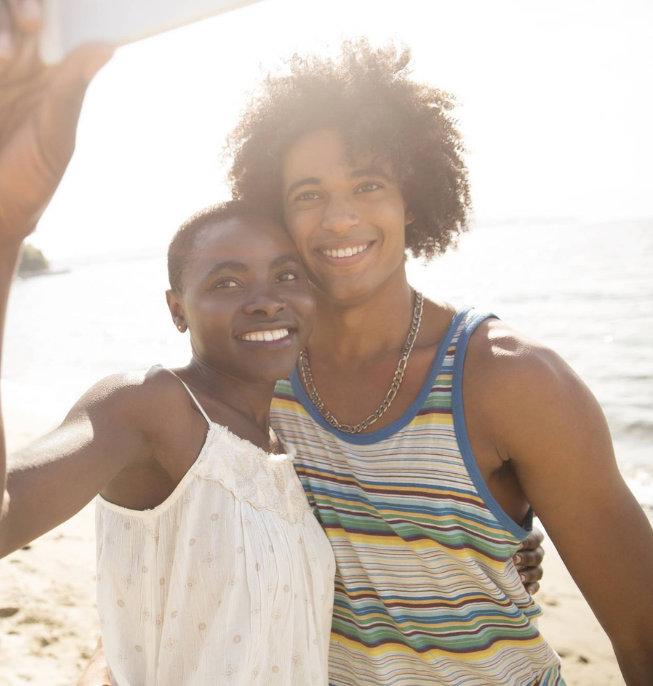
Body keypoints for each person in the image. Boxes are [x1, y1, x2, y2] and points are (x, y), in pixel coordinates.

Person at [80, 41, 653, 686]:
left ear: (413, 199)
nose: (340, 216)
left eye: (369, 184)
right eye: (307, 194)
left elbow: (642, 633)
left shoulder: (513, 380)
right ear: (280, 214)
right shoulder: (261, 375)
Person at [0, 3, 338, 683]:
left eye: (288, 274)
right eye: (227, 281)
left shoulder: (293, 443)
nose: (266, 297)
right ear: (176, 310)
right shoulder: (151, 408)